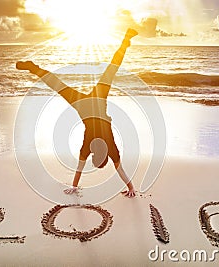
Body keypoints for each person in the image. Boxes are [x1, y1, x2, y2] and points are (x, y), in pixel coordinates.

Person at [16, 28, 138, 198]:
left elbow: (118, 169)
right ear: (96, 156)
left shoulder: (110, 148)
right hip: (85, 107)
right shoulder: (87, 148)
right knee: (60, 85)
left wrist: (131, 187)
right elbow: (81, 169)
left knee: (110, 70)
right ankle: (33, 68)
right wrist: (74, 186)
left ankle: (33, 68)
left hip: (95, 101)